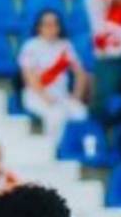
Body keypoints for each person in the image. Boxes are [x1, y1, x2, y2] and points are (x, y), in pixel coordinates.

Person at [19, 10, 89, 139]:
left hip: (62, 96)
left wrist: (76, 96)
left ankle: (75, 148)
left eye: (55, 24)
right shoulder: (31, 46)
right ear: (39, 27)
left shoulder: (65, 46)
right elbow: (29, 76)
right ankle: (55, 148)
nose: (51, 28)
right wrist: (45, 97)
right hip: (37, 96)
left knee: (81, 114)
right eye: (47, 24)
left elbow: (80, 73)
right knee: (56, 115)